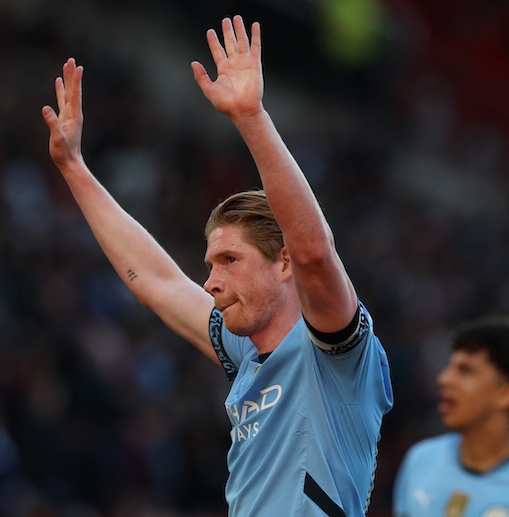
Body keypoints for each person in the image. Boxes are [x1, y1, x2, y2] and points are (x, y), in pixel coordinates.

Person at [41, 15, 393, 516]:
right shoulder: (247, 350)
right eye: (211, 263)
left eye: (230, 260)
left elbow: (315, 251)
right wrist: (74, 169)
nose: (211, 282)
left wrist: (251, 117)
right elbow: (157, 283)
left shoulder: (337, 354)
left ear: (284, 263)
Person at [393, 316, 509, 516]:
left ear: (504, 394)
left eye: (465, 370)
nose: (444, 379)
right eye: (450, 367)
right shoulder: (421, 460)